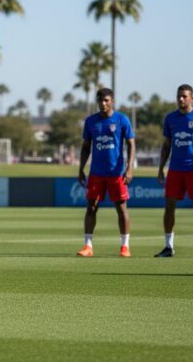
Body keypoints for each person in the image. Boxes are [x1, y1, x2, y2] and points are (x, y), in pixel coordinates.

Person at [155, 84, 193, 259]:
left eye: (184, 96)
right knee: (169, 206)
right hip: (175, 170)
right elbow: (166, 145)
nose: (181, 99)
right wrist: (161, 168)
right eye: (179, 96)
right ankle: (168, 247)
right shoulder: (170, 118)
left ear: (191, 98)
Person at [76, 88, 136, 258]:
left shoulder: (122, 119)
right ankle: (88, 246)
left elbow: (131, 144)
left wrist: (129, 167)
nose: (103, 103)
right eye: (100, 100)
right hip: (96, 173)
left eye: (107, 100)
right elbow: (86, 147)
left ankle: (125, 246)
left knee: (121, 208)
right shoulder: (91, 122)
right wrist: (81, 168)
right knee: (91, 207)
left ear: (112, 101)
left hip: (116, 173)